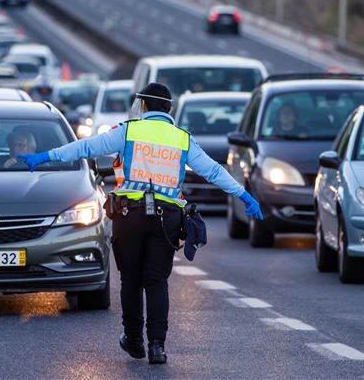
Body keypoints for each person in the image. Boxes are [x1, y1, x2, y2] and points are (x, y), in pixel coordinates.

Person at [17, 82, 264, 365]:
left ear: (144, 105)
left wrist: (45, 157)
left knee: (131, 280)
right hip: (167, 218)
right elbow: (213, 171)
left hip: (128, 216)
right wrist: (244, 195)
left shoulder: (128, 131)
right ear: (168, 109)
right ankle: (157, 346)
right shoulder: (182, 138)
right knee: (157, 281)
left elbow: (86, 147)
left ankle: (134, 340)